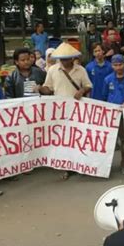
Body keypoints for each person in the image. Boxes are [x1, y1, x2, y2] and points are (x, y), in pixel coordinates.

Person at [39, 42, 93, 180]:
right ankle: (68, 167)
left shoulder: (80, 70)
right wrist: (40, 89)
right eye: (62, 58)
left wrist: (82, 90)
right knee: (64, 139)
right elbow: (48, 89)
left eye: (67, 58)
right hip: (60, 110)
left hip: (77, 109)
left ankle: (80, 164)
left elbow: (88, 86)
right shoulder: (52, 70)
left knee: (78, 136)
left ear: (73, 58)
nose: (65, 61)